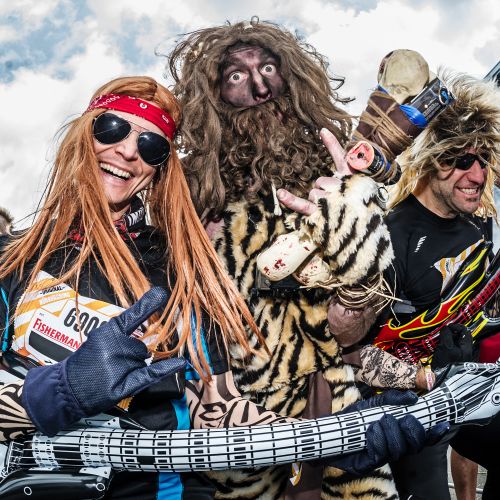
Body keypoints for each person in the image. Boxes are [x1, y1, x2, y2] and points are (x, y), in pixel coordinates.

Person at [0, 75, 433, 499]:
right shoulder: (11, 259)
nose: (128, 151)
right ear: (83, 135)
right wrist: (61, 392)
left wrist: (334, 440)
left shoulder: (179, 271)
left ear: (157, 171)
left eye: (151, 146)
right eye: (112, 128)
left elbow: (218, 408)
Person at [169, 18, 406, 499]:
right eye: (237, 76)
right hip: (236, 416)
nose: (260, 89)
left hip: (333, 399)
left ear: (291, 78)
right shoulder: (191, 192)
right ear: (214, 96)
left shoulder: (334, 177)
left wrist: (353, 243)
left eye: (269, 69)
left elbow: (354, 327)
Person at [320, 73, 500, 499]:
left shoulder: (477, 226)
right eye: (461, 160)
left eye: (484, 160)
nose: (477, 174)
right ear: (433, 160)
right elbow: (349, 352)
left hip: (468, 401)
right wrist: (428, 377)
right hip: (403, 415)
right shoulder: (388, 236)